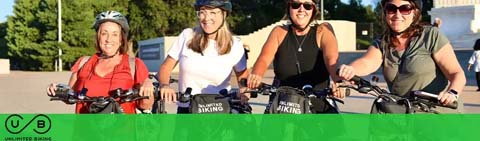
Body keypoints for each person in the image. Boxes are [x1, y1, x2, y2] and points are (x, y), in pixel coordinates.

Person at [337, 0, 466, 113]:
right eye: (391, 8)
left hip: (439, 114)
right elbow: (368, 61)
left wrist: (452, 93)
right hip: (404, 115)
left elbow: (456, 73)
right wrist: (351, 70)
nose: (397, 15)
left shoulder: (431, 35)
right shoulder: (382, 42)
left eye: (405, 9)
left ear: (415, 13)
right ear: (385, 12)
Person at [46, 11, 154, 114]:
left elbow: (145, 105)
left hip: (122, 131)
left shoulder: (134, 65)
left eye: (115, 34)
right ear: (98, 37)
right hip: (84, 130)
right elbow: (70, 97)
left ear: (121, 39)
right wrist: (58, 89)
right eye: (104, 34)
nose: (108, 39)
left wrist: (148, 86)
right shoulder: (83, 62)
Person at [158, 0, 249, 113]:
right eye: (202, 12)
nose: (206, 18)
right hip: (188, 109)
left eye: (213, 13)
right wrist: (165, 85)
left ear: (224, 14)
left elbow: (243, 77)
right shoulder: (187, 36)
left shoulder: (235, 44)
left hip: (220, 110)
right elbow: (165, 67)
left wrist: (244, 90)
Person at [246, 0, 342, 98]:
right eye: (296, 5)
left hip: (318, 101)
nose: (301, 9)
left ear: (313, 9)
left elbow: (331, 58)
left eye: (307, 6)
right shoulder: (279, 32)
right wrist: (256, 75)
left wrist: (338, 81)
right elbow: (264, 59)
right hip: (283, 103)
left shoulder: (323, 31)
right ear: (289, 8)